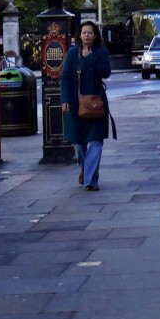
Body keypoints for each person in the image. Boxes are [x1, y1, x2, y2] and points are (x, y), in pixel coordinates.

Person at [60, 20, 112, 191]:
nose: (87, 35)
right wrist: (65, 100)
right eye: (84, 32)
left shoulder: (101, 52)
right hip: (76, 105)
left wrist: (91, 59)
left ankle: (91, 181)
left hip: (97, 104)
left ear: (95, 35)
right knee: (79, 144)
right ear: (80, 35)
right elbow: (66, 77)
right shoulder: (72, 53)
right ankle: (85, 170)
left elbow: (106, 72)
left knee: (96, 142)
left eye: (90, 32)